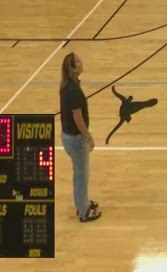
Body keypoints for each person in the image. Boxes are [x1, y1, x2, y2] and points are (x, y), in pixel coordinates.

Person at [59, 52, 100, 222]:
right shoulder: (74, 90)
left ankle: (81, 203)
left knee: (79, 173)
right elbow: (77, 117)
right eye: (77, 61)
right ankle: (84, 212)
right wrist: (88, 136)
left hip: (68, 136)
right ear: (73, 68)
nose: (81, 62)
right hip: (76, 139)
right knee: (82, 175)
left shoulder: (66, 85)